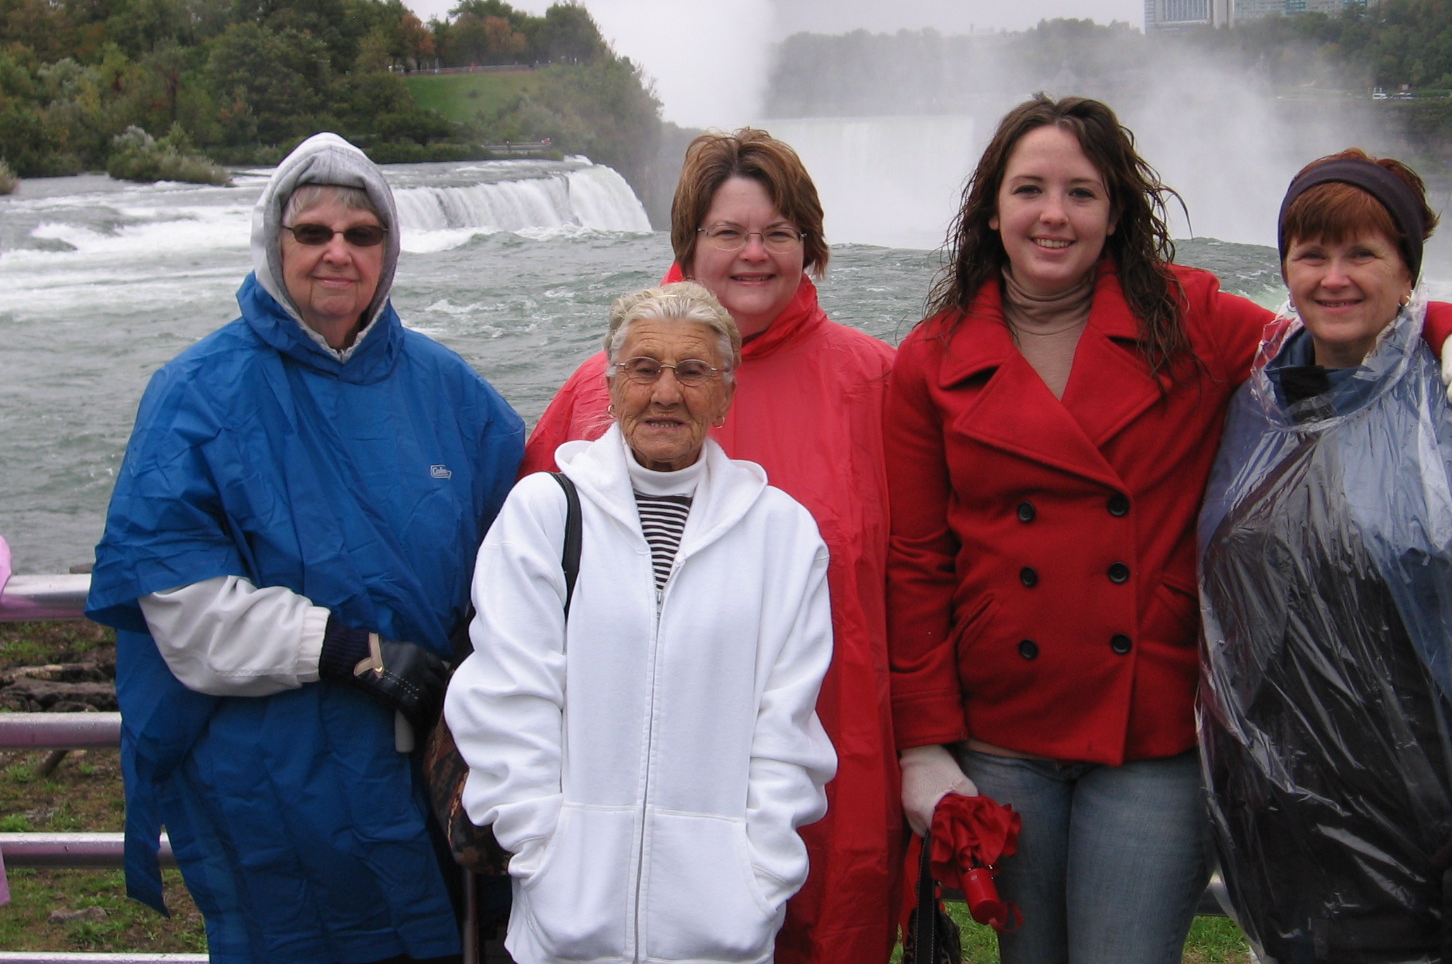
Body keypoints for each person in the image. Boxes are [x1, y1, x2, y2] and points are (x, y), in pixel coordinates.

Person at [884, 96, 1452, 964]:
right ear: (991, 209)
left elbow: (1335, 334)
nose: (1053, 215)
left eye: (1080, 193)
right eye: (1029, 189)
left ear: (1114, 211)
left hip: (1152, 732)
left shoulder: (1190, 321)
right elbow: (917, 563)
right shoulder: (930, 360)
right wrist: (924, 744)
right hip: (1002, 734)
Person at [86, 132, 526, 964]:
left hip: (426, 762)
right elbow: (179, 600)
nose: (338, 253)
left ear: (389, 250)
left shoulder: (447, 389)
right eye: (313, 232)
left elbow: (525, 541)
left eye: (362, 235)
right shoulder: (196, 395)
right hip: (281, 781)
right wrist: (347, 649)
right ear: (272, 242)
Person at [1196, 150, 1452, 964]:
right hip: (1289, 844)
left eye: (1363, 254)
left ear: (1407, 271)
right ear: (1285, 268)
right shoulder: (1253, 402)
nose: (1334, 277)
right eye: (1312, 254)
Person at [521, 130, 901, 962]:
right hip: (628, 798)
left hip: (839, 765)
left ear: (811, 244)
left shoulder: (877, 385)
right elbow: (524, 601)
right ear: (690, 243)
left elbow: (922, 582)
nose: (754, 254)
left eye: (778, 232)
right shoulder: (602, 392)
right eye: (728, 233)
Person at [447, 281, 836, 964]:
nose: (665, 393)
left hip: (723, 939)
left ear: (726, 393)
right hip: (561, 933)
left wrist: (757, 881)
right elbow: (508, 700)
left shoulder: (782, 535)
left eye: (692, 371)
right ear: (610, 383)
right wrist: (546, 858)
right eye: (644, 368)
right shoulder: (543, 515)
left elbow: (788, 728)